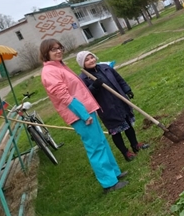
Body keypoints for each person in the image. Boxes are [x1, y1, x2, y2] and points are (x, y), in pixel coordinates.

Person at [40, 39, 128, 193]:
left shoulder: (59, 66)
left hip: (88, 110)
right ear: (45, 53)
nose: (58, 51)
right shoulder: (49, 72)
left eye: (60, 48)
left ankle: (114, 173)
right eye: (53, 49)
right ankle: (109, 184)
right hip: (80, 115)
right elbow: (64, 97)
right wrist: (83, 114)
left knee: (101, 142)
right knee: (95, 147)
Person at [77, 51, 149, 162]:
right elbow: (86, 96)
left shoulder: (105, 67)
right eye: (87, 60)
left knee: (129, 125)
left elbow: (119, 79)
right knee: (116, 131)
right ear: (82, 64)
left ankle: (135, 145)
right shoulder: (83, 78)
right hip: (107, 108)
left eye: (92, 57)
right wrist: (94, 86)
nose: (91, 61)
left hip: (120, 101)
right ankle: (125, 152)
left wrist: (127, 90)